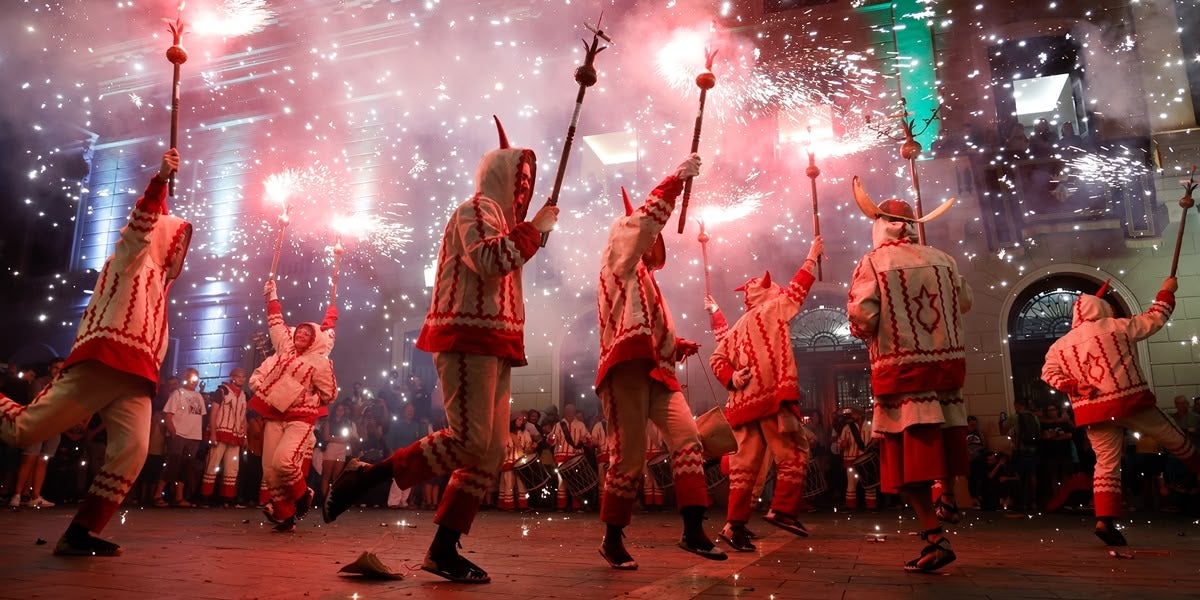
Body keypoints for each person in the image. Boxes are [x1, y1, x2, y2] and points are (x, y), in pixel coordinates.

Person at [323, 116, 558, 584]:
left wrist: (530, 232)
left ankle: (443, 550)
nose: (523, 191)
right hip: (466, 336)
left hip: (497, 343)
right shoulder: (473, 210)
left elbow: (507, 265)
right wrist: (533, 231)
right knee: (471, 441)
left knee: (487, 454)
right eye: (519, 179)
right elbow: (491, 261)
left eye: (527, 185)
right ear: (501, 176)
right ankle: (364, 477)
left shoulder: (503, 221)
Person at [0, 149, 190, 556]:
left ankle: (80, 533)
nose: (178, 250)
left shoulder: (158, 280)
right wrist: (159, 180)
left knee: (133, 453)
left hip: (137, 379)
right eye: (176, 240)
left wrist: (164, 195)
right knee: (23, 431)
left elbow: (155, 223)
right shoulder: (130, 259)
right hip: (103, 363)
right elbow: (142, 227)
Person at [593, 154, 726, 570]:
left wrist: (676, 344)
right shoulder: (618, 256)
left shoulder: (646, 280)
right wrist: (674, 181)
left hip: (657, 372)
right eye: (646, 235)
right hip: (625, 371)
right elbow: (644, 222)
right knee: (629, 457)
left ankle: (693, 531)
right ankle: (612, 537)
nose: (652, 241)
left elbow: (653, 331)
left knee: (688, 441)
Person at [846, 180, 971, 572]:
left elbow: (863, 317)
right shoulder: (944, 259)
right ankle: (948, 495)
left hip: (902, 376)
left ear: (881, 224)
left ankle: (935, 536)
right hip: (946, 372)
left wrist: (862, 331)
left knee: (904, 468)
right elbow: (964, 302)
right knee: (945, 446)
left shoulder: (873, 262)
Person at [1041, 276, 1200, 545]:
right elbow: (1157, 317)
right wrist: (1166, 291)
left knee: (1105, 465)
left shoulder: (1060, 345)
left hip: (1093, 412)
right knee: (1177, 441)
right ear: (1102, 309)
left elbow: (1048, 373)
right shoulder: (1117, 326)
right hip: (1128, 402)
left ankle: (1105, 520)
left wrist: (1072, 385)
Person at [704, 234, 822, 553]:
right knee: (794, 452)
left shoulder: (740, 324)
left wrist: (732, 378)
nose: (778, 289)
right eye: (773, 287)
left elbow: (717, 357)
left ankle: (734, 526)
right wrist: (811, 257)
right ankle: (783, 510)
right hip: (769, 398)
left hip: (741, 405)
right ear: (767, 293)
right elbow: (798, 290)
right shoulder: (772, 309)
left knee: (745, 469)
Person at [249, 278, 338, 532]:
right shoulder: (284, 351)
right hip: (276, 415)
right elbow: (276, 323)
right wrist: (272, 294)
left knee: (284, 462)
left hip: (301, 419)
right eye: (298, 331)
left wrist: (308, 394)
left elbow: (330, 394)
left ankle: (303, 495)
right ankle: (285, 515)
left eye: (307, 334)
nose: (300, 335)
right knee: (270, 469)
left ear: (314, 340)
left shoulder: (319, 362)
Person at [9, 360, 64, 509]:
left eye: (61, 368)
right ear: (49, 368)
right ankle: (17, 495)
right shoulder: (40, 382)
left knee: (43, 460)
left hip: (54, 427)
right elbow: (38, 402)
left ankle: (35, 496)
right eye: (55, 368)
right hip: (37, 425)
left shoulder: (65, 385)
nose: (58, 371)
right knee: (29, 458)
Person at [156, 368, 206, 507]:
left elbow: (200, 417)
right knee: (173, 465)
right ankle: (157, 494)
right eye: (191, 378)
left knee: (186, 467)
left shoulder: (199, 397)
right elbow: (168, 415)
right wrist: (173, 432)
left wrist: (198, 434)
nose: (194, 381)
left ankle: (179, 497)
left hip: (194, 437)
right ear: (185, 378)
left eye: (196, 378)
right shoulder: (177, 394)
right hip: (179, 435)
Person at [201, 368, 247, 506]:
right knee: (212, 464)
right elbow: (214, 413)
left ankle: (227, 498)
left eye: (243, 377)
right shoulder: (222, 391)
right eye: (239, 376)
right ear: (232, 377)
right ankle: (206, 497)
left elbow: (243, 416)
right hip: (221, 432)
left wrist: (244, 435)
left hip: (235, 435)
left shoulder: (244, 395)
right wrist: (213, 433)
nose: (242, 379)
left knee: (232, 467)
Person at [1000, 398, 1040, 512]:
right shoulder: (1034, 417)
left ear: (1016, 405)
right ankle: (1033, 501)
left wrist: (1001, 422)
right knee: (1032, 475)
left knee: (1019, 475)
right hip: (1032, 449)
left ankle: (1021, 501)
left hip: (1020, 450)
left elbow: (1002, 431)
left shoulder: (1014, 417)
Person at [551, 403, 590, 510]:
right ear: (564, 411)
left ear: (574, 411)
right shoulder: (558, 425)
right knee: (561, 482)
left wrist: (585, 440)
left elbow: (589, 439)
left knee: (576, 482)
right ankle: (561, 505)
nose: (569, 411)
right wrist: (551, 438)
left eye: (571, 409)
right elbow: (551, 442)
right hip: (561, 456)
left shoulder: (580, 425)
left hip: (576, 457)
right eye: (568, 409)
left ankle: (576, 505)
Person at [837, 408, 877, 512]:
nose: (851, 416)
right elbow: (839, 443)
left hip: (866, 459)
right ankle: (850, 506)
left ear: (860, 414)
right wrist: (842, 445)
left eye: (853, 414)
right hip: (851, 460)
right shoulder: (847, 427)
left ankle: (871, 506)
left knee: (869, 484)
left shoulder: (870, 425)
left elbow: (876, 438)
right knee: (851, 483)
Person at [498, 415, 534, 511]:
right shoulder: (506, 433)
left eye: (522, 420)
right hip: (509, 460)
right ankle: (508, 505)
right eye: (519, 419)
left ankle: (523, 505)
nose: (521, 422)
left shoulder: (525, 433)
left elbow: (528, 445)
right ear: (513, 421)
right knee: (509, 482)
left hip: (520, 460)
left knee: (521, 483)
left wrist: (530, 446)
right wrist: (507, 448)